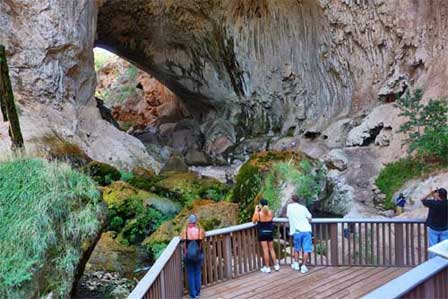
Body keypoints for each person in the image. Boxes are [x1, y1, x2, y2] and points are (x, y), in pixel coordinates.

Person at [181, 215, 205, 299]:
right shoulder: (200, 230)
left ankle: (193, 295)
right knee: (198, 273)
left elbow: (184, 245)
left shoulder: (185, 231)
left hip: (189, 256)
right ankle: (198, 293)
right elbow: (201, 243)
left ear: (189, 222)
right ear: (195, 222)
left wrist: (185, 254)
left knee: (190, 274)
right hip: (198, 254)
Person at [252, 198, 280, 273]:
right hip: (270, 232)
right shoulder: (270, 212)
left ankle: (267, 267)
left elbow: (253, 221)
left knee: (265, 250)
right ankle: (276, 265)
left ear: (260, 205)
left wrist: (255, 210)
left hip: (262, 233)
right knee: (271, 249)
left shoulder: (259, 214)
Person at [287, 195, 313, 273]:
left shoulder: (290, 207)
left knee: (297, 248)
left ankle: (296, 264)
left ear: (292, 200)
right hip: (306, 230)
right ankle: (304, 266)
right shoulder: (303, 208)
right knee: (306, 249)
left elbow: (287, 215)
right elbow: (310, 217)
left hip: (297, 231)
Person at [421, 188, 448, 257]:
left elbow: (422, 199)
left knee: (433, 247)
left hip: (434, 229)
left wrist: (431, 193)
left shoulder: (433, 203)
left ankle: (433, 264)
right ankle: (444, 265)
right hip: (445, 229)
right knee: (444, 248)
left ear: (438, 195)